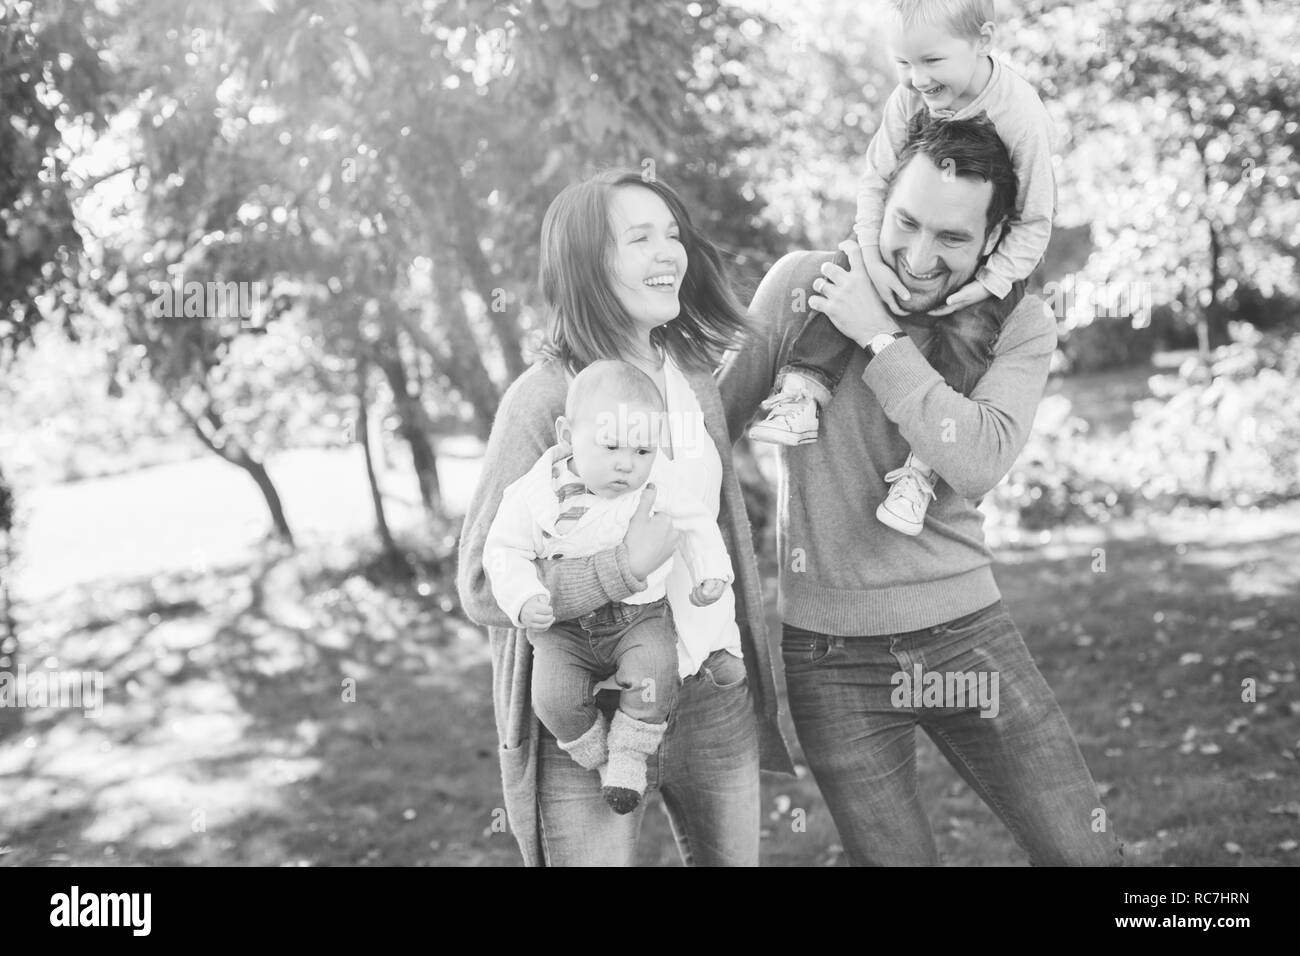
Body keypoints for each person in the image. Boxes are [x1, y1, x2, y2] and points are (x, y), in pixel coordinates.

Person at [721, 114, 1121, 866]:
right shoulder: (806, 285)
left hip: (967, 632)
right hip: (829, 655)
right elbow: (708, 424)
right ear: (881, 202)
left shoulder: (1019, 323)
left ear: (995, 237)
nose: (918, 255)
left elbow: (974, 460)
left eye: (952, 238)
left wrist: (879, 337)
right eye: (907, 223)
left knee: (1086, 856)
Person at [458, 167, 794, 867]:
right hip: (589, 710)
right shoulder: (545, 398)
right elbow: (483, 585)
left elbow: (708, 523)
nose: (668, 252)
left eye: (672, 235)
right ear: (587, 264)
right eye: (639, 238)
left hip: (706, 697)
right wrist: (619, 569)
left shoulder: (692, 376)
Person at [748, 0, 1054, 538]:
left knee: (969, 330)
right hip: (894, 244)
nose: (918, 79)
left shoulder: (1020, 115)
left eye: (932, 61)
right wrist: (867, 254)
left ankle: (919, 474)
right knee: (845, 272)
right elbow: (876, 179)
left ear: (983, 40)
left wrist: (988, 283)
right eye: (903, 64)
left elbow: (1032, 220)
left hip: (998, 268)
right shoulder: (910, 97)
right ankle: (803, 392)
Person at [482, 359, 733, 814]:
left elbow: (696, 522)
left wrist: (711, 571)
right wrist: (523, 597)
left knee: (656, 671)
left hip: (639, 616)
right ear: (566, 435)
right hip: (563, 631)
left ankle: (630, 755)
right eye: (611, 446)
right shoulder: (533, 494)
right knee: (553, 697)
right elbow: (502, 551)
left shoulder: (658, 481)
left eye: (642, 451)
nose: (625, 464)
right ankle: (601, 756)